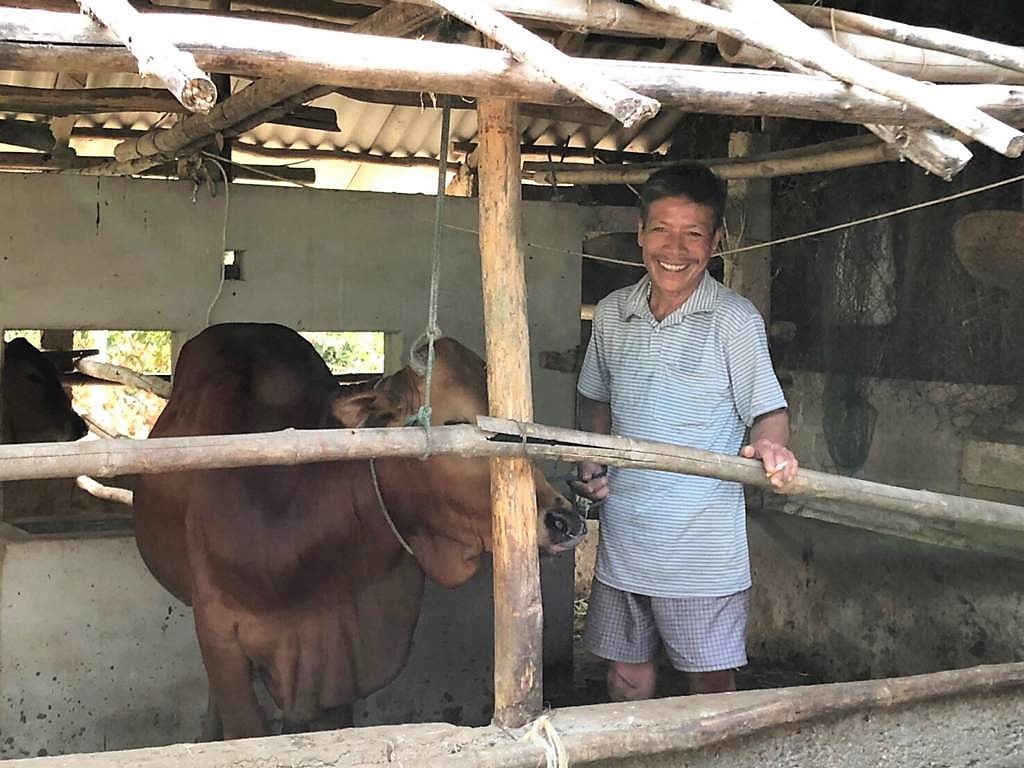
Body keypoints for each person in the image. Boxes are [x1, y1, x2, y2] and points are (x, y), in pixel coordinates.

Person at [571, 162, 798, 701]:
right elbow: (594, 399)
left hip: (702, 551)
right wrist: (591, 458)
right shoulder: (612, 314)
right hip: (625, 536)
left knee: (710, 684)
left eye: (693, 234)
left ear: (715, 243)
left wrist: (771, 445)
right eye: (661, 230)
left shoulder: (733, 319)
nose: (675, 249)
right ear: (640, 234)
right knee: (625, 677)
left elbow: (768, 410)